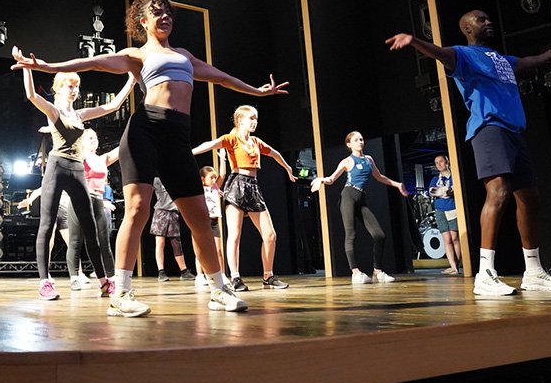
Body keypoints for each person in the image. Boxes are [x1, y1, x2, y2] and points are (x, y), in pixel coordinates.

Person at [12, 0, 288, 316]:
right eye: (156, 12)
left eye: (168, 11)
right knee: (138, 208)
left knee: (198, 215)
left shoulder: (185, 55)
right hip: (144, 130)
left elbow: (223, 78)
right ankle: (121, 293)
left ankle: (218, 289)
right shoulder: (138, 55)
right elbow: (95, 62)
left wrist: (258, 91)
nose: (164, 16)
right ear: (144, 22)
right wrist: (47, 65)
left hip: (177, 137)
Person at [387, 10, 551, 295]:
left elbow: (523, 63)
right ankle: (485, 273)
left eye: (489, 18)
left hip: (513, 131)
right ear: (467, 28)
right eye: (481, 20)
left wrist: (546, 55)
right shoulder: (464, 54)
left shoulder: (500, 59)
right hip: (488, 129)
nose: (489, 22)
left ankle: (533, 271)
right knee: (498, 192)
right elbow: (441, 54)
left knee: (530, 199)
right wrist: (415, 42)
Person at [15, 56, 134, 301]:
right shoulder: (54, 110)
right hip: (57, 166)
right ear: (59, 88)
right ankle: (45, 282)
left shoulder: (79, 116)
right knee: (46, 225)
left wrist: (131, 80)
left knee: (90, 226)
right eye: (70, 86)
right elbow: (31, 96)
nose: (75, 90)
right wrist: (27, 68)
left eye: (76, 86)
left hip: (77, 168)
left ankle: (104, 281)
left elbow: (112, 106)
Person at [192, 105, 297, 290]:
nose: (254, 122)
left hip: (253, 186)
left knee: (270, 235)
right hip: (236, 185)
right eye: (251, 118)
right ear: (240, 120)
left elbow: (275, 153)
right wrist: (189, 152)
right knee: (235, 234)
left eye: (256, 118)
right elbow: (210, 144)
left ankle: (268, 276)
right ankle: (235, 277)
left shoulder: (256, 142)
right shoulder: (232, 139)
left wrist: (288, 168)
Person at [312, 131, 409, 285]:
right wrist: (320, 180)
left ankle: (377, 271)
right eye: (356, 140)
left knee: (379, 235)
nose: (360, 142)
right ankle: (355, 273)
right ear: (349, 145)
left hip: (361, 199)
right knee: (351, 233)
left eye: (361, 139)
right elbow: (331, 179)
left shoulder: (369, 159)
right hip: (348, 196)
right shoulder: (347, 161)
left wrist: (397, 185)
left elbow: (379, 177)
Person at [66, 129, 120, 288]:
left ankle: (111, 278)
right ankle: (74, 277)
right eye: (90, 138)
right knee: (76, 240)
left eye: (95, 138)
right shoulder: (79, 157)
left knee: (104, 241)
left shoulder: (102, 159)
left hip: (98, 201)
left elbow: (120, 149)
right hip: (81, 198)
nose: (94, 140)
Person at [151, 177, 193, 282]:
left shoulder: (175, 179)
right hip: (160, 211)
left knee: (176, 243)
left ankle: (184, 271)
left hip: (173, 212)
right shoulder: (157, 180)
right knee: (160, 243)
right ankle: (161, 271)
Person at [194, 166, 225, 291]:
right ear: (203, 179)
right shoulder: (200, 190)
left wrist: (223, 158)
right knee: (202, 249)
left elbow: (222, 175)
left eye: (214, 177)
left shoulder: (215, 188)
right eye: (211, 177)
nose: (213, 180)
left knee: (218, 249)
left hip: (214, 221)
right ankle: (200, 275)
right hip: (203, 221)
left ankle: (221, 274)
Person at [429, 154, 461, 275]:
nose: (439, 165)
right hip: (440, 210)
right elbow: (432, 192)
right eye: (436, 163)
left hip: (452, 208)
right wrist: (445, 192)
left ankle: (457, 265)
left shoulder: (453, 177)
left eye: (441, 161)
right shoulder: (435, 179)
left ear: (446, 161)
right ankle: (453, 266)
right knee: (447, 239)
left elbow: (452, 191)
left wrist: (443, 192)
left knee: (455, 238)